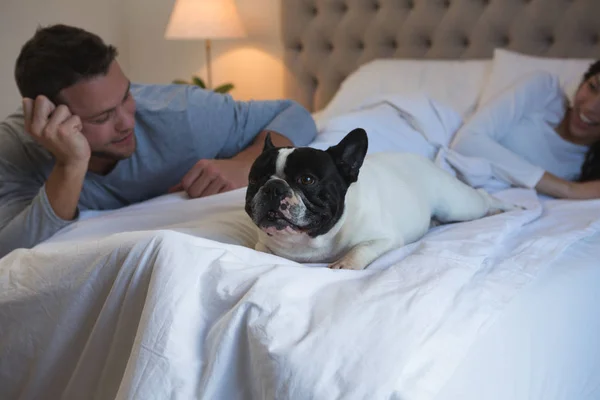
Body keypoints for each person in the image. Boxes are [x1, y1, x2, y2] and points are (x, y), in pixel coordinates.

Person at [0, 24, 317, 258]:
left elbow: (296, 114)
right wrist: (71, 164)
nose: (127, 121)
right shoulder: (14, 149)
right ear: (50, 119)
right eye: (102, 117)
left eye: (126, 95)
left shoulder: (182, 116)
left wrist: (244, 163)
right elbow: (8, 249)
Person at [450, 60, 600, 199]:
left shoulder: (586, 171)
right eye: (592, 87)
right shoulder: (544, 90)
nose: (590, 108)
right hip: (440, 147)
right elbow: (465, 142)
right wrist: (568, 189)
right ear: (582, 83)